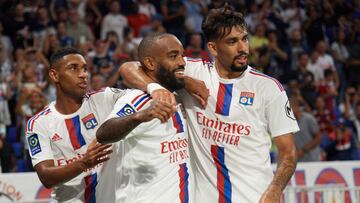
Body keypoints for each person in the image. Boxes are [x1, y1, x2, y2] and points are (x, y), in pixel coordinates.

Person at [119, 6, 299, 203]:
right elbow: (129, 68)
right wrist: (167, 85)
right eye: (232, 41)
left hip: (255, 198)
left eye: (244, 39)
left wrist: (275, 189)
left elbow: (288, 152)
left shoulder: (268, 88)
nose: (243, 48)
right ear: (213, 47)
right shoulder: (193, 71)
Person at [96, 33, 198, 203]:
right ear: (150, 63)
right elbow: (103, 133)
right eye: (173, 56)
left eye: (182, 55)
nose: (181, 62)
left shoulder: (177, 95)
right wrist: (140, 116)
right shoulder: (138, 99)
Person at [25, 47, 126, 202]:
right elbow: (46, 177)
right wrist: (83, 163)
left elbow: (137, 87)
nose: (83, 74)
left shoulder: (104, 99)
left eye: (85, 69)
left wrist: (154, 88)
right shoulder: (38, 123)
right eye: (73, 68)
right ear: (54, 75)